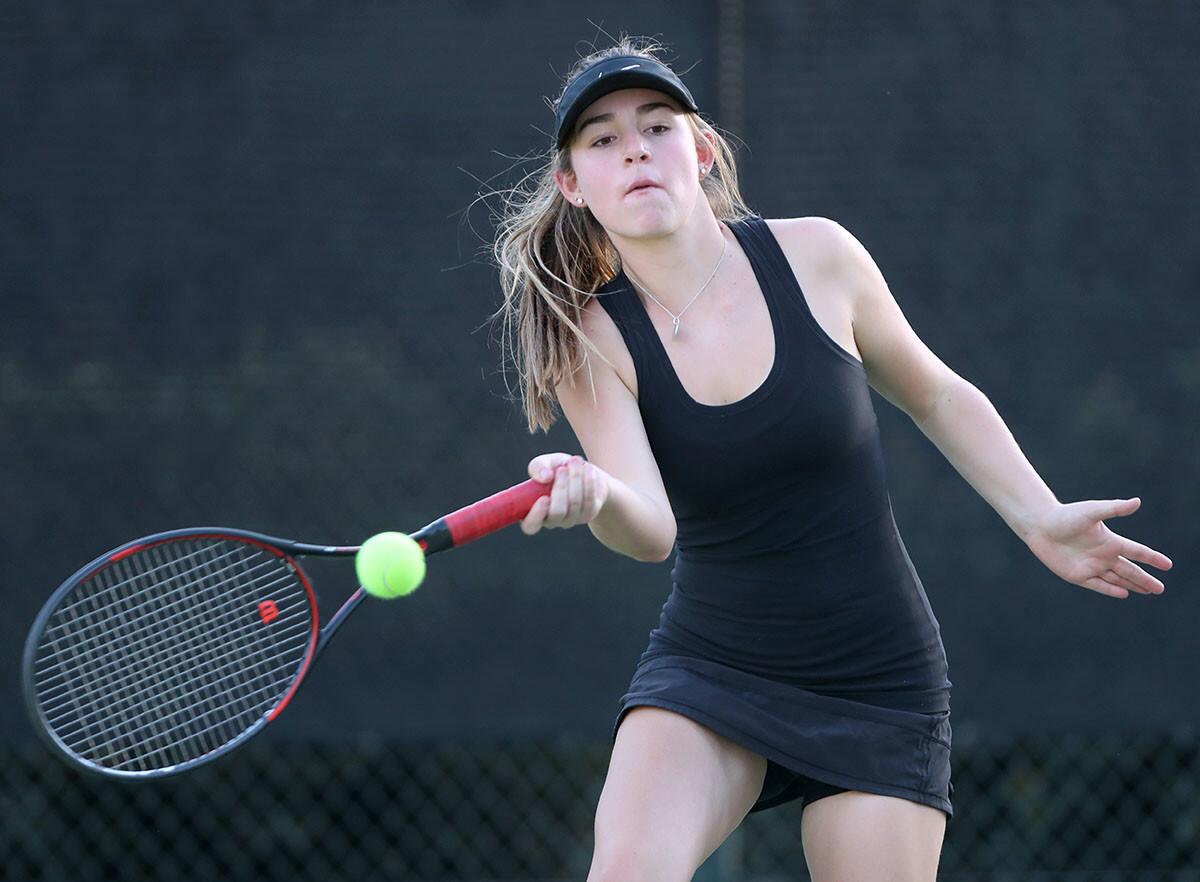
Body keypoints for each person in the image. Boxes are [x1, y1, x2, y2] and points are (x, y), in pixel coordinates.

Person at [488, 37, 1173, 882]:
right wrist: (597, 496)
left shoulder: (819, 256)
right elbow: (652, 530)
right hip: (713, 669)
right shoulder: (588, 339)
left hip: (877, 678)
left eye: (657, 126)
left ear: (701, 151)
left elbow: (935, 392)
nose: (633, 147)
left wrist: (1039, 516)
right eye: (601, 139)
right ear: (573, 185)